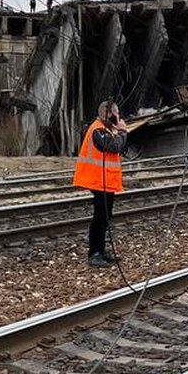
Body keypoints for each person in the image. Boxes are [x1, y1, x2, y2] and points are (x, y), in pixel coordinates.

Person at [72, 100, 128, 267]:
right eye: (116, 113)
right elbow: (114, 147)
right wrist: (123, 131)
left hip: (105, 181)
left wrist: (117, 131)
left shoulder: (106, 129)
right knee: (100, 217)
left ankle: (101, 250)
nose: (118, 117)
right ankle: (94, 253)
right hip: (97, 180)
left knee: (105, 217)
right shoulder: (98, 130)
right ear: (107, 113)